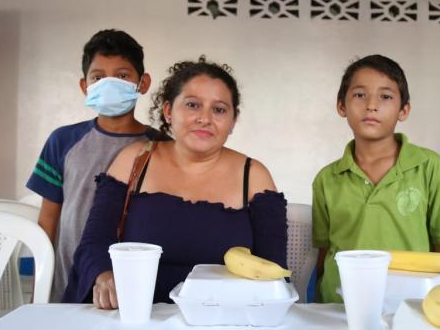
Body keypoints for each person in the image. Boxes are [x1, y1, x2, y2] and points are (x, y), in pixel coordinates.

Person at [63, 57, 287, 307]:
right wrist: (104, 276)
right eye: (192, 105)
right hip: (133, 311)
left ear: (233, 121)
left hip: (223, 317)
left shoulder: (254, 175)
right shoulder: (134, 160)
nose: (205, 118)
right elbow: (94, 242)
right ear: (168, 111)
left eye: (219, 109)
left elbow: (274, 269)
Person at [312, 55, 440, 304]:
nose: (371, 105)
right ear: (341, 106)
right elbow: (324, 253)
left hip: (410, 306)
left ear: (404, 110)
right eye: (360, 94)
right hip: (341, 304)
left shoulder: (429, 167)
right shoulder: (327, 179)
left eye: (385, 96)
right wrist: (321, 303)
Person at [26, 29, 162, 302]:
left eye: (122, 76)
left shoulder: (161, 146)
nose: (109, 84)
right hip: (68, 287)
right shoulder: (62, 141)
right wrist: (38, 290)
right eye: (98, 77)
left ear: (143, 83)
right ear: (84, 85)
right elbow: (48, 221)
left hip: (135, 287)